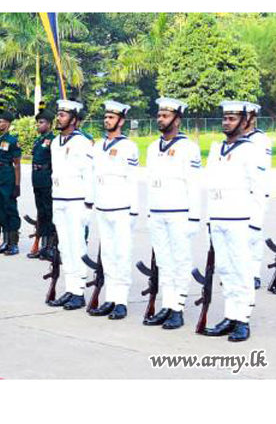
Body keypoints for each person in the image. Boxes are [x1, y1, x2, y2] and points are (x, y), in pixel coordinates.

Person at [201, 100, 265, 342]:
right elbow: (210, 185)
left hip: (240, 220)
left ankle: (243, 319)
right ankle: (230, 315)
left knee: (242, 270)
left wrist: (255, 225)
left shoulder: (251, 149)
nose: (227, 122)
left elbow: (259, 190)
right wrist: (209, 218)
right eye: (225, 118)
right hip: (218, 218)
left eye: (233, 118)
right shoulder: (217, 148)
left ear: (244, 121)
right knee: (226, 270)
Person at [143, 97, 201, 329]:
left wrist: (194, 218)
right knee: (164, 263)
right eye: (159, 115)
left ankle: (178, 308)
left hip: (179, 213)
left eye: (165, 116)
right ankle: (167, 305)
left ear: (177, 120)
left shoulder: (189, 148)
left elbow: (194, 185)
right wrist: (149, 213)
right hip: (157, 212)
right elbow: (150, 182)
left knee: (180, 261)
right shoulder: (151, 147)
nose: (160, 119)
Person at [86, 101, 140, 320]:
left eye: (111, 117)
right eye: (106, 116)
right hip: (103, 206)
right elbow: (91, 176)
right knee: (107, 254)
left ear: (121, 121)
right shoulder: (97, 146)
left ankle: (121, 301)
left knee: (122, 254)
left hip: (122, 208)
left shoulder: (128, 146)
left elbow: (133, 179)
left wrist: (134, 210)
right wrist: (89, 203)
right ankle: (110, 297)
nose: (107, 120)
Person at [47, 99, 93, 311]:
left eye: (63, 115)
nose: (58, 118)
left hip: (76, 200)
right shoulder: (56, 142)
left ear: (73, 120)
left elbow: (89, 173)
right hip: (59, 199)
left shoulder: (81, 142)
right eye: (58, 114)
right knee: (65, 247)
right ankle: (70, 287)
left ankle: (80, 291)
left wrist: (88, 204)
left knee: (77, 245)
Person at [240, 102, 271, 290]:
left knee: (253, 233)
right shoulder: (235, 138)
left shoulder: (260, 139)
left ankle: (254, 273)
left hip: (255, 192)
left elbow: (259, 168)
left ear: (252, 118)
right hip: (237, 193)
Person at [0, 103, 21, 255]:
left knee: (10, 209)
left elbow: (17, 165)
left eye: (1, 121)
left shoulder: (12, 140)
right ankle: (5, 241)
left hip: (8, 176)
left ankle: (13, 243)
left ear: (8, 124)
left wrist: (17, 185)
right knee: (0, 210)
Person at [29, 101, 56, 260]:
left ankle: (50, 245)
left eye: (42, 122)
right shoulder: (39, 140)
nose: (38, 125)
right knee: (41, 213)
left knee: (49, 212)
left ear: (50, 124)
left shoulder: (53, 140)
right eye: (38, 122)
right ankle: (43, 246)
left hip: (47, 179)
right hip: (37, 179)